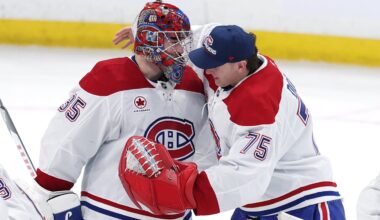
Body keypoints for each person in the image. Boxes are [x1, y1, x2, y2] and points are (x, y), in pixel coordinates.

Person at [121, 25, 347, 219]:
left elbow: (244, 172)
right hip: (256, 204)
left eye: (215, 64)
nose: (207, 69)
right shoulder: (244, 60)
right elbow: (203, 36)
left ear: (240, 65)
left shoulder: (257, 107)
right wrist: (151, 37)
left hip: (298, 205)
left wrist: (184, 192)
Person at [34, 1, 218, 219]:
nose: (181, 49)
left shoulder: (195, 84)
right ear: (151, 39)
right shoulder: (109, 80)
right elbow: (66, 143)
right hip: (110, 213)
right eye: (174, 40)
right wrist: (51, 192)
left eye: (183, 40)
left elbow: (208, 151)